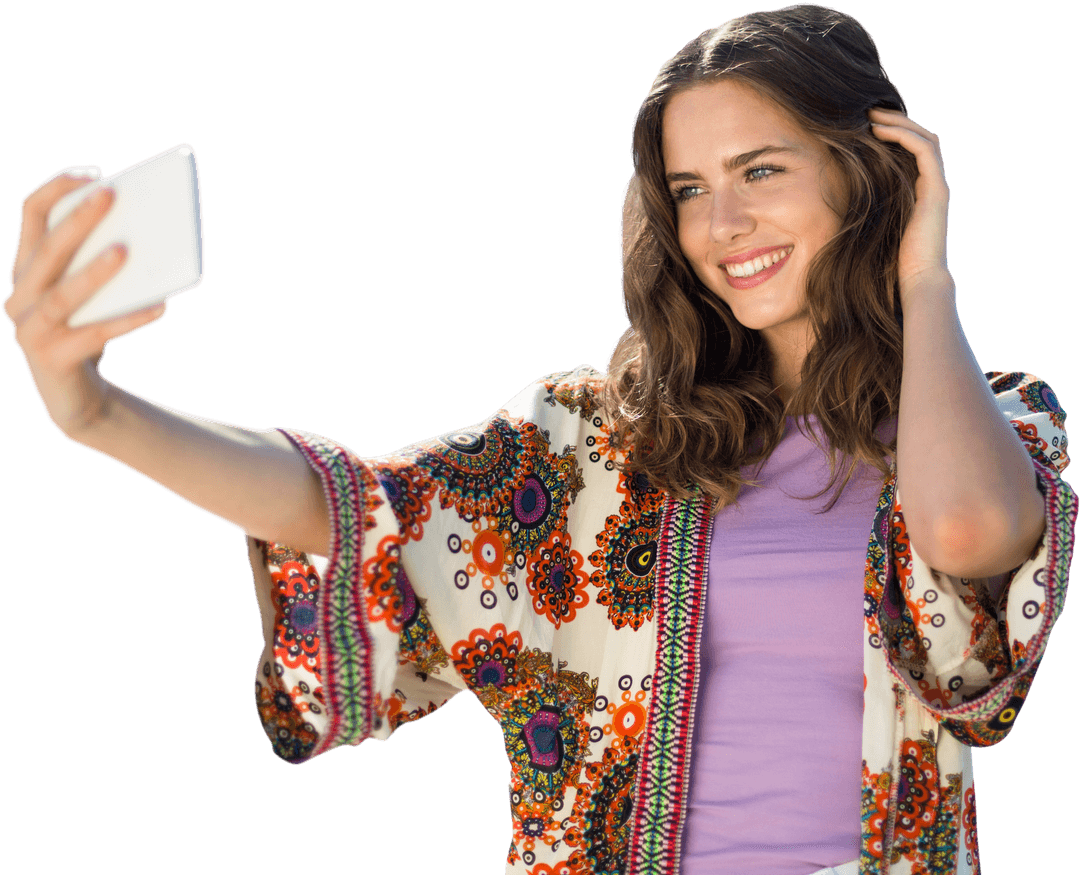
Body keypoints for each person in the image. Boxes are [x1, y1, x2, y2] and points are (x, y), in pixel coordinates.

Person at [5, 4, 1074, 874]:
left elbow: (970, 528)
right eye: (689, 190)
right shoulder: (598, 442)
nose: (721, 226)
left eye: (762, 171)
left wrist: (923, 271)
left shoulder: (991, 422)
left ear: (863, 171)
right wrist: (94, 412)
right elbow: (359, 509)